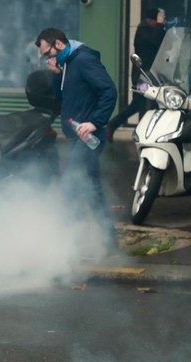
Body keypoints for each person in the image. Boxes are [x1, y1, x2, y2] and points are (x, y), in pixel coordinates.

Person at [35, 28, 117, 245]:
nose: (47, 58)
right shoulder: (68, 63)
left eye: (47, 53)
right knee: (93, 191)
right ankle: (109, 242)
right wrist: (56, 75)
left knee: (70, 187)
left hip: (90, 138)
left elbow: (109, 91)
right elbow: (62, 96)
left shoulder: (83, 60)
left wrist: (95, 122)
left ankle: (60, 246)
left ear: (58, 45)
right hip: (77, 137)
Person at [107, 8, 166, 142]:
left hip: (153, 75)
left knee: (139, 104)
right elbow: (153, 41)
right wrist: (160, 24)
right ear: (151, 20)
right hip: (142, 78)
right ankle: (143, 133)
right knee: (145, 103)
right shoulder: (143, 30)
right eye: (157, 20)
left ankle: (112, 125)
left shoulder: (155, 29)